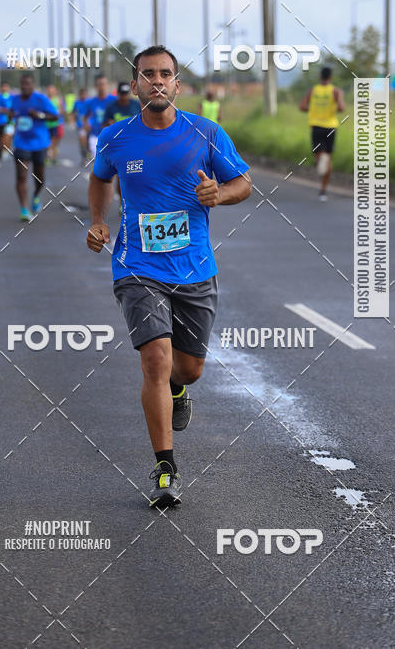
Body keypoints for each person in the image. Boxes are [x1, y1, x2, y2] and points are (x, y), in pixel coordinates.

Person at [86, 45, 252, 508]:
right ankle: (165, 467)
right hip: (136, 266)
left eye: (165, 74)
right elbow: (100, 179)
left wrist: (220, 193)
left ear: (178, 84)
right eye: (148, 74)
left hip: (194, 267)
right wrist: (99, 220)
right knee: (155, 361)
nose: (157, 81)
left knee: (188, 369)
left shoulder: (206, 132)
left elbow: (244, 182)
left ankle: (180, 390)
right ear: (135, 84)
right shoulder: (115, 138)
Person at [9, 73, 59, 221]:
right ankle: (24, 209)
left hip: (40, 143)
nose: (25, 87)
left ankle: (36, 195)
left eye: (28, 84)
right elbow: (11, 114)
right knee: (21, 176)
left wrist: (40, 115)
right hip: (21, 143)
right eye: (22, 84)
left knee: (39, 177)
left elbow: (55, 116)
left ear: (32, 86)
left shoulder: (41, 99)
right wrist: (10, 118)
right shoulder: (15, 100)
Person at [299, 65, 345, 200]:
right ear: (331, 77)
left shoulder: (312, 90)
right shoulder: (336, 91)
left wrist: (314, 110)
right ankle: (323, 190)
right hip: (331, 127)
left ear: (320, 77)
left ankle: (319, 162)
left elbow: (302, 107)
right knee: (328, 158)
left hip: (316, 127)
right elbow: (341, 108)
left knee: (320, 157)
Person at [103, 82, 141, 212]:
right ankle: (122, 202)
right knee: (121, 176)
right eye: (122, 94)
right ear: (118, 94)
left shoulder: (136, 106)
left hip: (135, 145)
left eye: (126, 94)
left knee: (136, 175)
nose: (124, 97)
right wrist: (110, 126)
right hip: (117, 146)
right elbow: (104, 127)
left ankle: (136, 201)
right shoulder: (111, 108)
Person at [84, 74, 114, 160]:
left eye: (104, 84)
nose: (102, 87)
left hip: (111, 136)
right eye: (99, 84)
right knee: (99, 161)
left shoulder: (114, 100)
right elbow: (85, 116)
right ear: (95, 86)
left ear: (108, 85)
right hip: (95, 136)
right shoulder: (91, 102)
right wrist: (86, 125)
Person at [45, 84, 65, 165]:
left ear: (55, 91)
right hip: (46, 124)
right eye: (49, 90)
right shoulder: (45, 99)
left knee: (55, 142)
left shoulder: (58, 99)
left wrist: (56, 114)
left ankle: (54, 158)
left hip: (56, 124)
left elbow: (61, 110)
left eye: (52, 90)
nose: (50, 91)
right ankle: (47, 158)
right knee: (46, 142)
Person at [73, 87, 90, 162]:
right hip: (80, 125)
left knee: (88, 141)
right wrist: (73, 122)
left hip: (89, 125)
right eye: (82, 94)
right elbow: (73, 112)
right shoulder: (77, 103)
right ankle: (84, 156)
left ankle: (88, 153)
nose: (83, 96)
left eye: (85, 94)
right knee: (82, 141)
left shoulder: (89, 102)